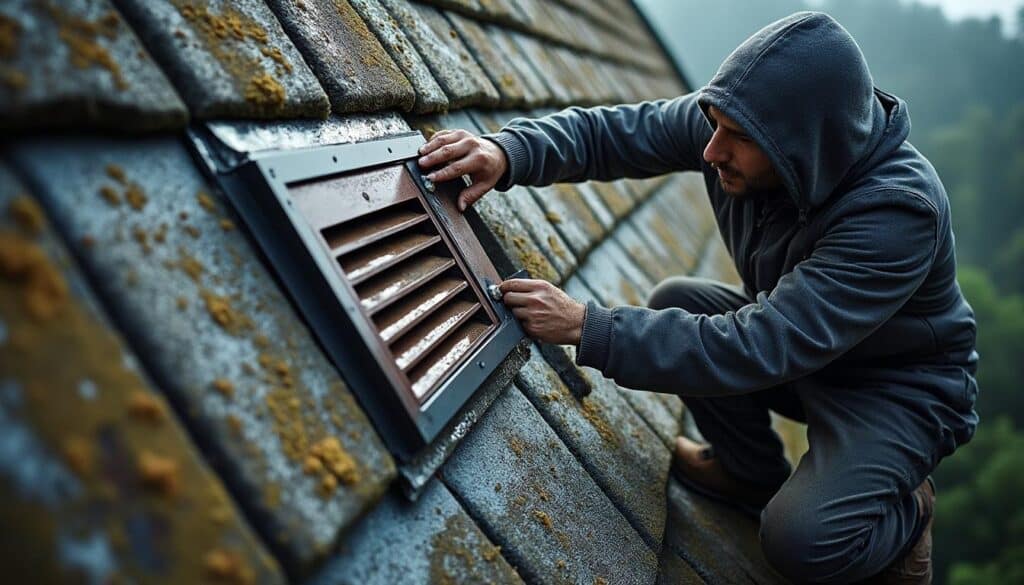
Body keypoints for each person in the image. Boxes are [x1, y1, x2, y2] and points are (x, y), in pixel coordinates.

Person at [417, 11, 977, 584]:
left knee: (802, 543)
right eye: (714, 124)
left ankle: (905, 518)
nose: (711, 150)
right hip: (804, 349)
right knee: (675, 299)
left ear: (800, 147)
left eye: (735, 139)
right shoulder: (743, 121)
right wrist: (508, 152)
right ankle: (748, 474)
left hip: (893, 392)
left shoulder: (897, 213)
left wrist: (589, 326)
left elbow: (764, 344)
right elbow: (617, 134)